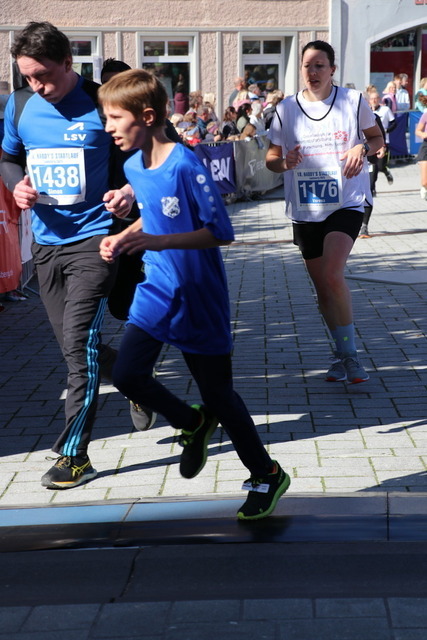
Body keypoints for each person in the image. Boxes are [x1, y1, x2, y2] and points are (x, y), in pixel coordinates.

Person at [97, 68, 290, 520]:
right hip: (156, 289)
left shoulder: (186, 164)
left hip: (199, 295)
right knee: (126, 375)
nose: (107, 128)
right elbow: (155, 215)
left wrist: (155, 240)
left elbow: (220, 231)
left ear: (147, 117)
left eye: (114, 118)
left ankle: (266, 474)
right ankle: (191, 421)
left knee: (219, 394)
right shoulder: (132, 167)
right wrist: (124, 236)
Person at [0, 21, 138, 489]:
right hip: (45, 244)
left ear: (67, 62)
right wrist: (16, 185)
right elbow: (8, 158)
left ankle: (74, 455)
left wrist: (129, 191)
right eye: (27, 76)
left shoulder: (103, 102)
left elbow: (145, 157)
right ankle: (136, 379)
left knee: (78, 347)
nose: (37, 85)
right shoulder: (20, 105)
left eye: (44, 75)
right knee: (75, 347)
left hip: (96, 241)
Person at [266, 40, 383, 384]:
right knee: (322, 289)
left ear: (333, 69)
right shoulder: (286, 109)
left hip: (346, 201)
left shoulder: (352, 101)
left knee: (333, 275)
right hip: (306, 208)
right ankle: (340, 352)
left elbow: (377, 139)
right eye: (308, 65)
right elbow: (271, 159)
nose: (313, 72)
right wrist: (283, 162)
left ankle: (350, 356)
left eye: (320, 65)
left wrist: (362, 148)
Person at [366, 89, 396, 190]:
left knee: (380, 165)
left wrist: (386, 130)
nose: (374, 101)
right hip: (371, 143)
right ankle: (372, 188)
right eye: (372, 99)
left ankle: (386, 171)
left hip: (383, 141)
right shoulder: (366, 111)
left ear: (379, 99)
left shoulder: (385, 110)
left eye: (375, 98)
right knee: (373, 166)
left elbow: (394, 123)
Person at [415, 109, 427, 201]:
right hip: (426, 146)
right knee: (424, 181)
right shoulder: (425, 115)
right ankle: (424, 187)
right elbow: (418, 131)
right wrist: (424, 134)